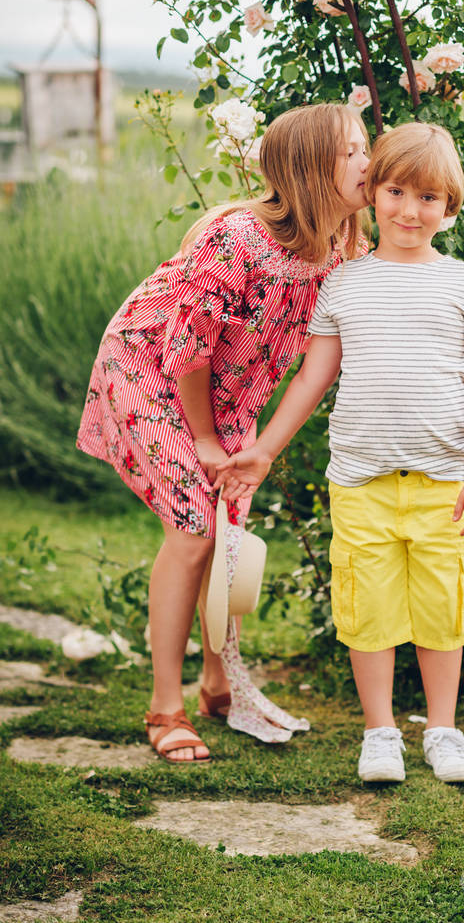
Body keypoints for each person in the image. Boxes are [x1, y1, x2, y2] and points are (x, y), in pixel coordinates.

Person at [77, 103, 370, 763]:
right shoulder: (237, 239)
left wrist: (254, 446)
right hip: (151, 364)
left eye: (364, 148)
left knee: (229, 523)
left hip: (228, 388)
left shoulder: (336, 248)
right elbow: (189, 347)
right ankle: (164, 706)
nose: (366, 162)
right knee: (193, 525)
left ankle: (217, 681)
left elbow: (311, 364)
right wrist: (207, 440)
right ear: (308, 166)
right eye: (350, 151)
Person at [214, 122, 464, 783]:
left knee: (441, 608)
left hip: (440, 483)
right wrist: (260, 451)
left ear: (450, 206)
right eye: (396, 191)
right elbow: (312, 378)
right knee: (366, 606)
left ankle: (442, 730)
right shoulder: (344, 283)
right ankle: (379, 732)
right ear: (371, 192)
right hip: (359, 480)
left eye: (428, 198)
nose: (409, 210)